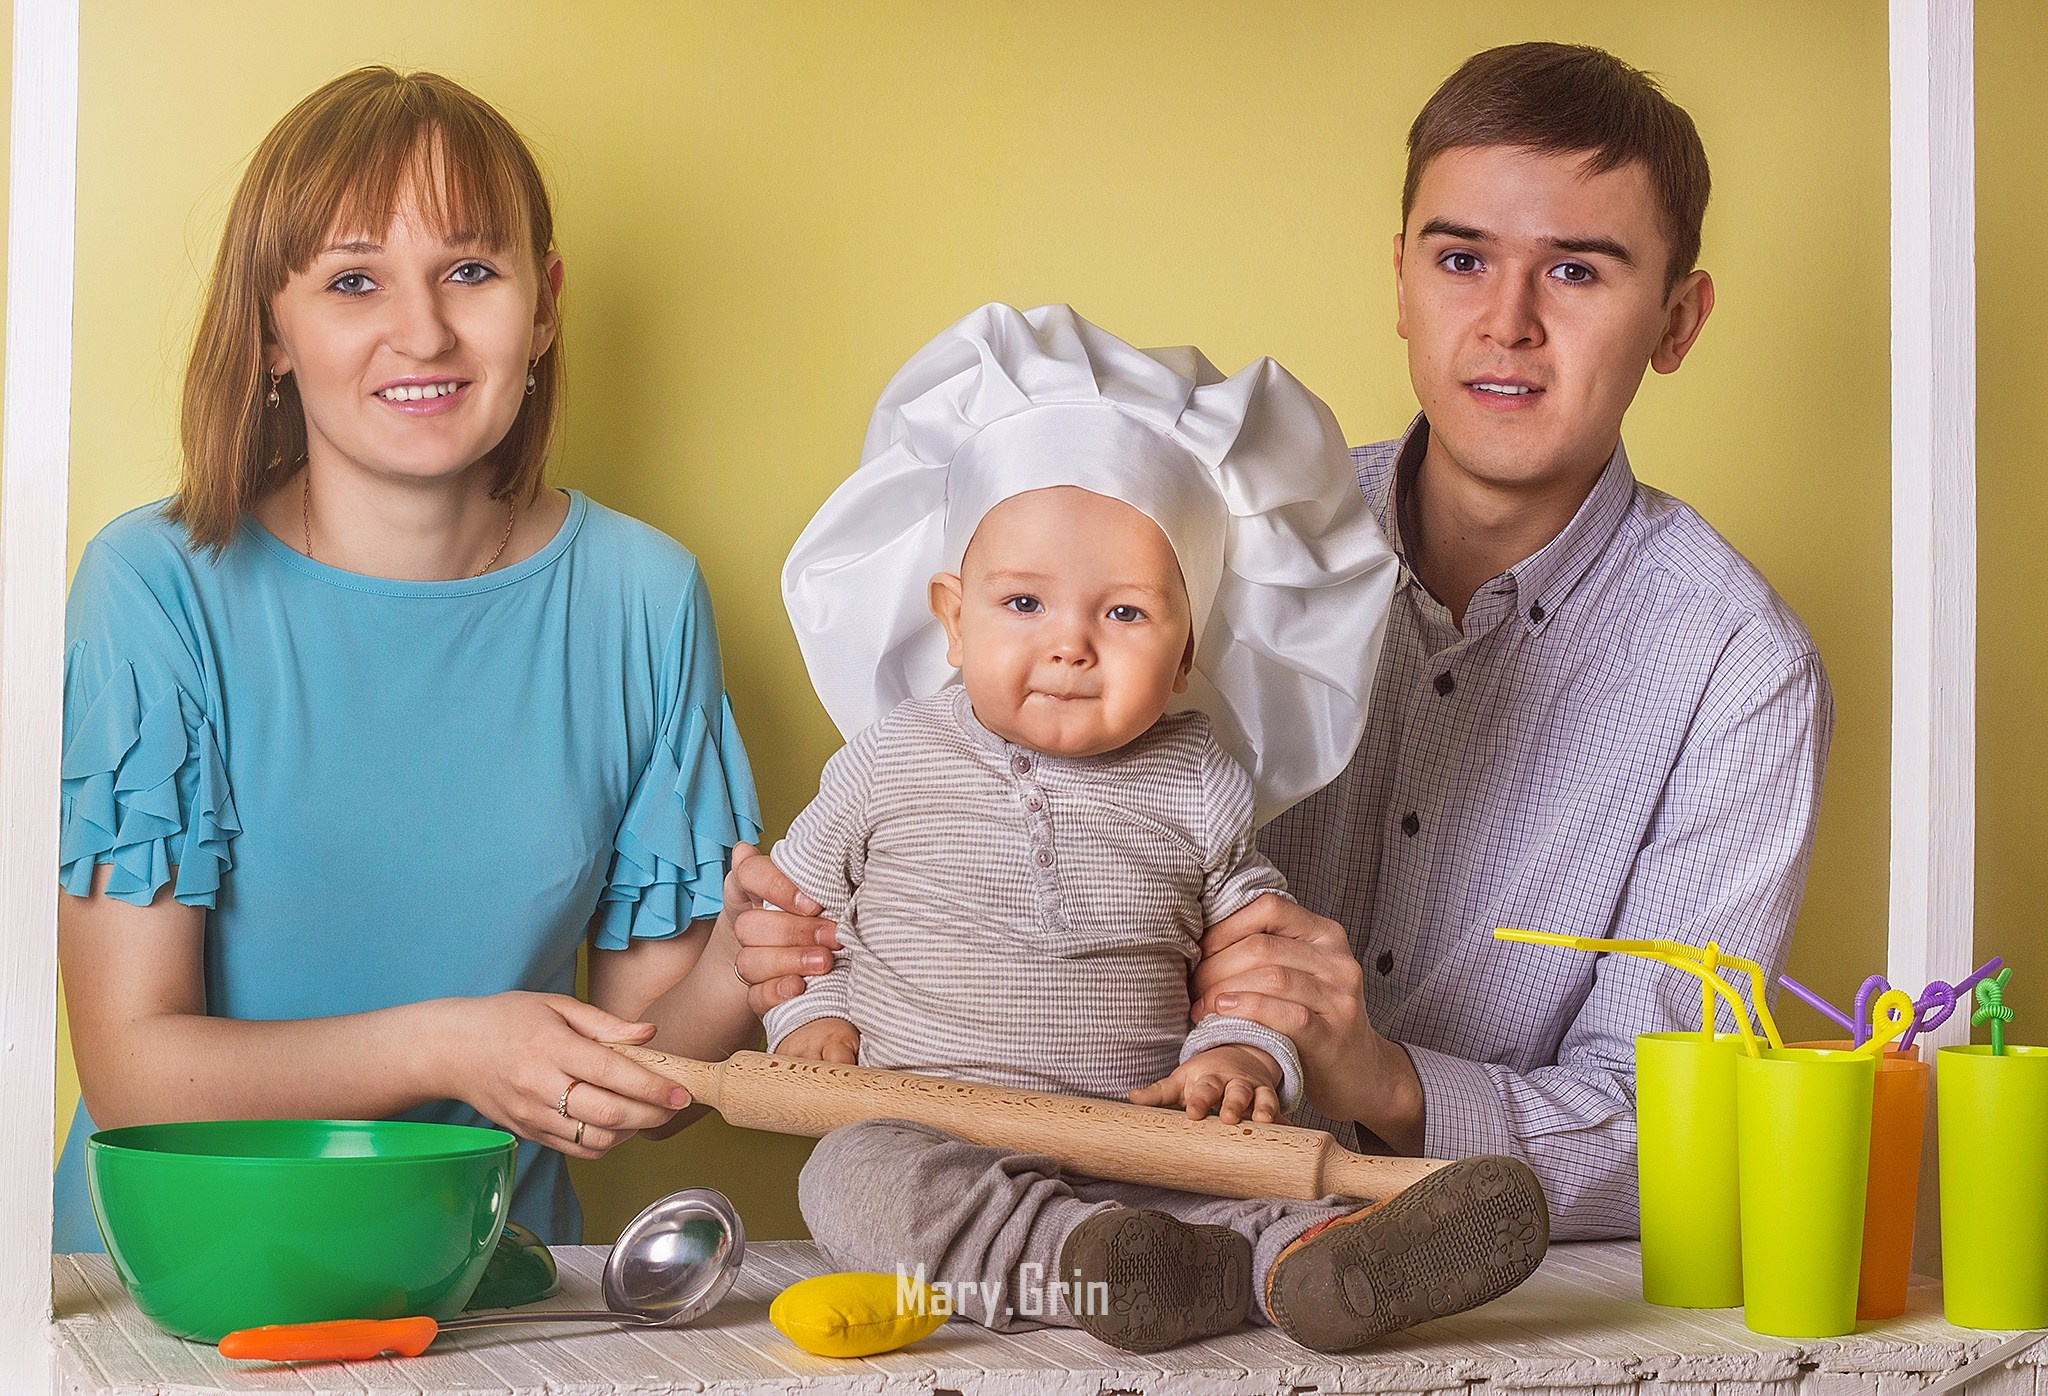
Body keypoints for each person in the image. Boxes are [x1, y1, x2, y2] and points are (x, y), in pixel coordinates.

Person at [728, 37, 1832, 1295]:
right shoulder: (1206, 549)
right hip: (1060, 1169)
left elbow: (1671, 1131)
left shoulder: (1738, 672)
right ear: (1400, 280)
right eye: (1460, 257)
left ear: (1675, 321)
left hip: (1397, 1252)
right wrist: (812, 955)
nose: (1506, 322)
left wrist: (1381, 1079)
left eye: (1576, 270)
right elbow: (980, 765)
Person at [54, 67, 765, 1254]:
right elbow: (136, 1078)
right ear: (270, 331)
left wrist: (743, 963)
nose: (423, 330)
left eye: (471, 272)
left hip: (486, 1289)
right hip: (177, 1287)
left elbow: (637, 1078)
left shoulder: (645, 594)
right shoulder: (155, 584)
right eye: (351, 280)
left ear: (541, 305)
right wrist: (449, 1044)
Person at [752, 302, 1547, 1354]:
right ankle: (1093, 1268)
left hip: (1145, 1126)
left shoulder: (1195, 779)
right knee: (851, 1181)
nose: (1070, 644)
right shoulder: (884, 761)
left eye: (1122, 613)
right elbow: (792, 916)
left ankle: (1321, 1262)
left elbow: (1252, 957)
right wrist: (804, 1016)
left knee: (1247, 1169)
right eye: (1023, 602)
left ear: (1183, 658)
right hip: (932, 1123)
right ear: (952, 617)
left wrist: (1239, 1056)